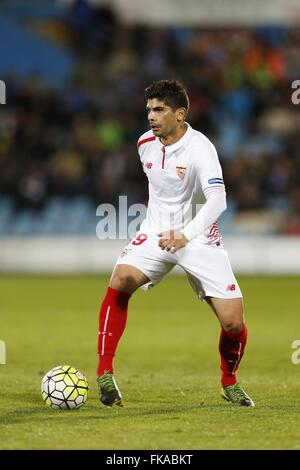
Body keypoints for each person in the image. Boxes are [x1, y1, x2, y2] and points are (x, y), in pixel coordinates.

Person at [96, 79, 255, 408]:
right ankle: (104, 373)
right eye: (149, 110)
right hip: (156, 230)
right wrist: (164, 228)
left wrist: (186, 233)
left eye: (159, 110)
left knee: (233, 323)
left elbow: (218, 201)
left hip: (199, 237)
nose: (151, 116)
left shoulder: (201, 149)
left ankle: (229, 381)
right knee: (121, 279)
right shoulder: (144, 144)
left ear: (180, 113)